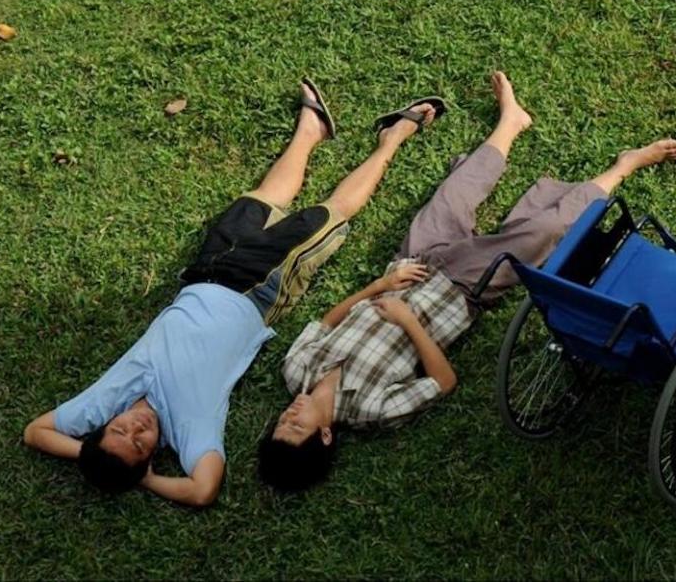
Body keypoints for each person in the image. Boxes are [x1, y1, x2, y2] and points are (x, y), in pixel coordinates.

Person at [23, 79, 443, 506]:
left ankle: (311, 130)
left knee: (260, 199)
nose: (133, 429)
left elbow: (36, 431)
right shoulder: (190, 425)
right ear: (151, 456)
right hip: (258, 290)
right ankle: (394, 138)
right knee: (327, 214)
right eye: (138, 444)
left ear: (102, 427)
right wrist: (140, 478)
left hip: (203, 275)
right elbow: (203, 489)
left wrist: (97, 455)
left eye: (118, 431)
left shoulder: (104, 402)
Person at [257, 71, 676, 491]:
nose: (288, 416)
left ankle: (510, 123)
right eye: (295, 429)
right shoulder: (372, 411)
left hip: (409, 265)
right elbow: (443, 382)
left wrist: (379, 289)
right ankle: (622, 167)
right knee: (541, 232)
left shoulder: (296, 370)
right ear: (325, 436)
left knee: (454, 193)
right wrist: (407, 320)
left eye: (280, 423)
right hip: (459, 293)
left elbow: (329, 322)